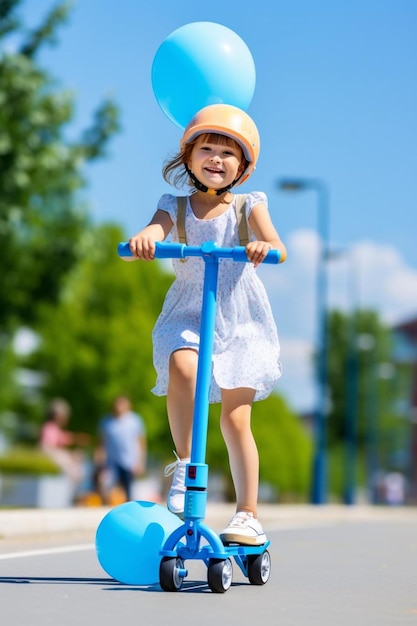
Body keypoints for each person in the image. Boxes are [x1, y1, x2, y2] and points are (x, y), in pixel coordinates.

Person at [123, 104, 287, 546]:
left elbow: (276, 245)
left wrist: (261, 248)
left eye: (228, 153)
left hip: (241, 318)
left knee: (235, 420)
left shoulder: (249, 207)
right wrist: (146, 239)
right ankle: (185, 463)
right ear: (189, 157)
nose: (216, 158)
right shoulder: (172, 206)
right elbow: (155, 231)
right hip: (190, 310)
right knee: (182, 368)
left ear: (244, 168)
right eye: (207, 149)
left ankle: (248, 513)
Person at [97, 395, 147, 503]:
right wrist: (100, 459)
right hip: (111, 461)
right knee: (107, 484)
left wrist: (140, 461)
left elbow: (141, 442)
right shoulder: (107, 422)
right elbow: (102, 443)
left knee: (128, 488)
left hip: (129, 460)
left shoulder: (135, 421)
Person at [39, 398, 90, 498]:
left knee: (76, 459)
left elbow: (64, 437)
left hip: (55, 456)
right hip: (52, 457)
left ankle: (78, 490)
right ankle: (77, 493)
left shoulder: (53, 428)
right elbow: (50, 446)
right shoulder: (49, 428)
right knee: (74, 463)